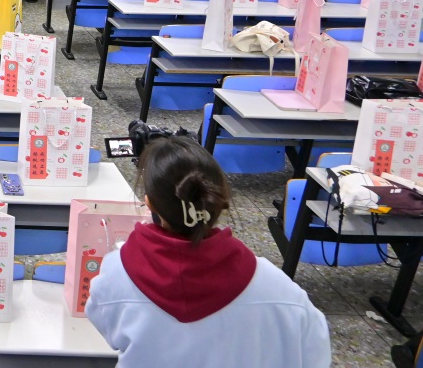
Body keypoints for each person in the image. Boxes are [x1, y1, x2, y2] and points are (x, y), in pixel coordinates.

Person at [85, 136, 330, 368]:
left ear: (149, 203)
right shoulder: (279, 288)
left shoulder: (116, 274)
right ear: (217, 200)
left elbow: (106, 330)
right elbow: (314, 353)